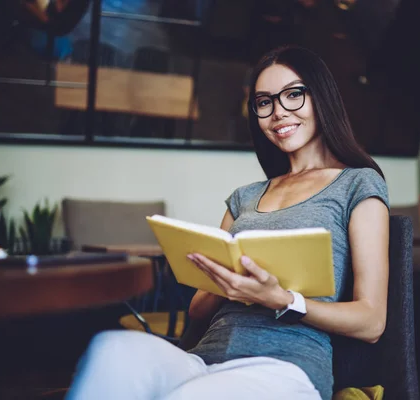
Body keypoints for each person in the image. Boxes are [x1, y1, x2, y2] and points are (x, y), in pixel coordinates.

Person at [65, 45, 390, 400]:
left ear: (322, 98)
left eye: (293, 95)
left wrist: (280, 299)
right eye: (264, 102)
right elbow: (197, 309)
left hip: (284, 367)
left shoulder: (357, 183)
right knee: (111, 348)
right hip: (204, 358)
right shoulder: (244, 196)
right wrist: (221, 279)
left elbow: (371, 322)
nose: (278, 112)